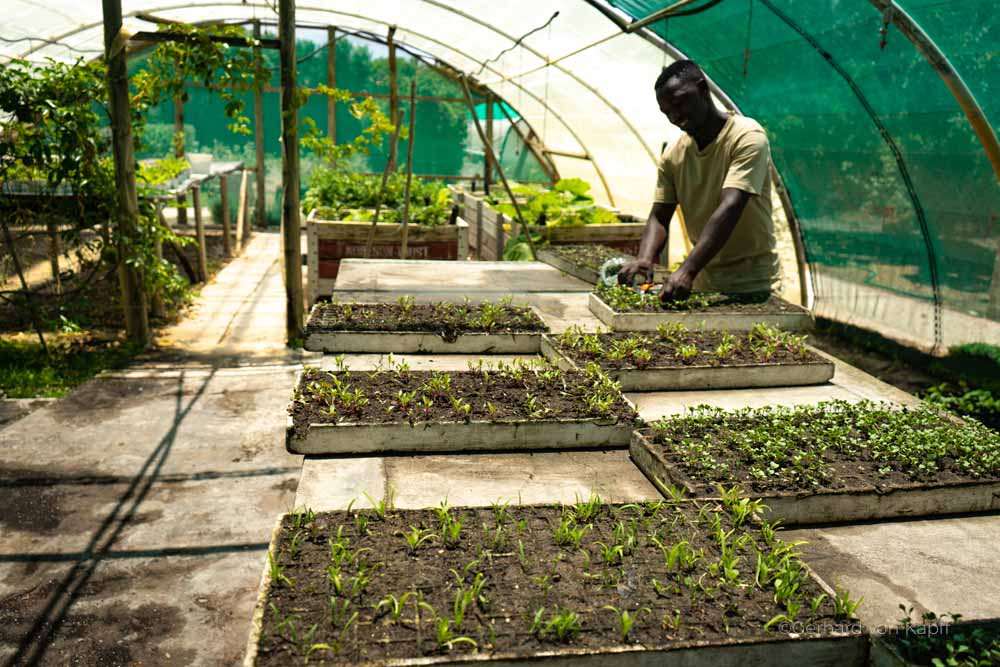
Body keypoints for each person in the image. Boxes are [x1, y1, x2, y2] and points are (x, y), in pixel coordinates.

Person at [618, 59, 779, 303]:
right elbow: (660, 215)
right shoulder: (674, 155)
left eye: (680, 103)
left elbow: (731, 205)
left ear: (703, 89)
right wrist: (645, 258)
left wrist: (687, 268)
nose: (675, 116)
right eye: (667, 112)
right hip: (704, 279)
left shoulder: (746, 137)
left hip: (753, 281)